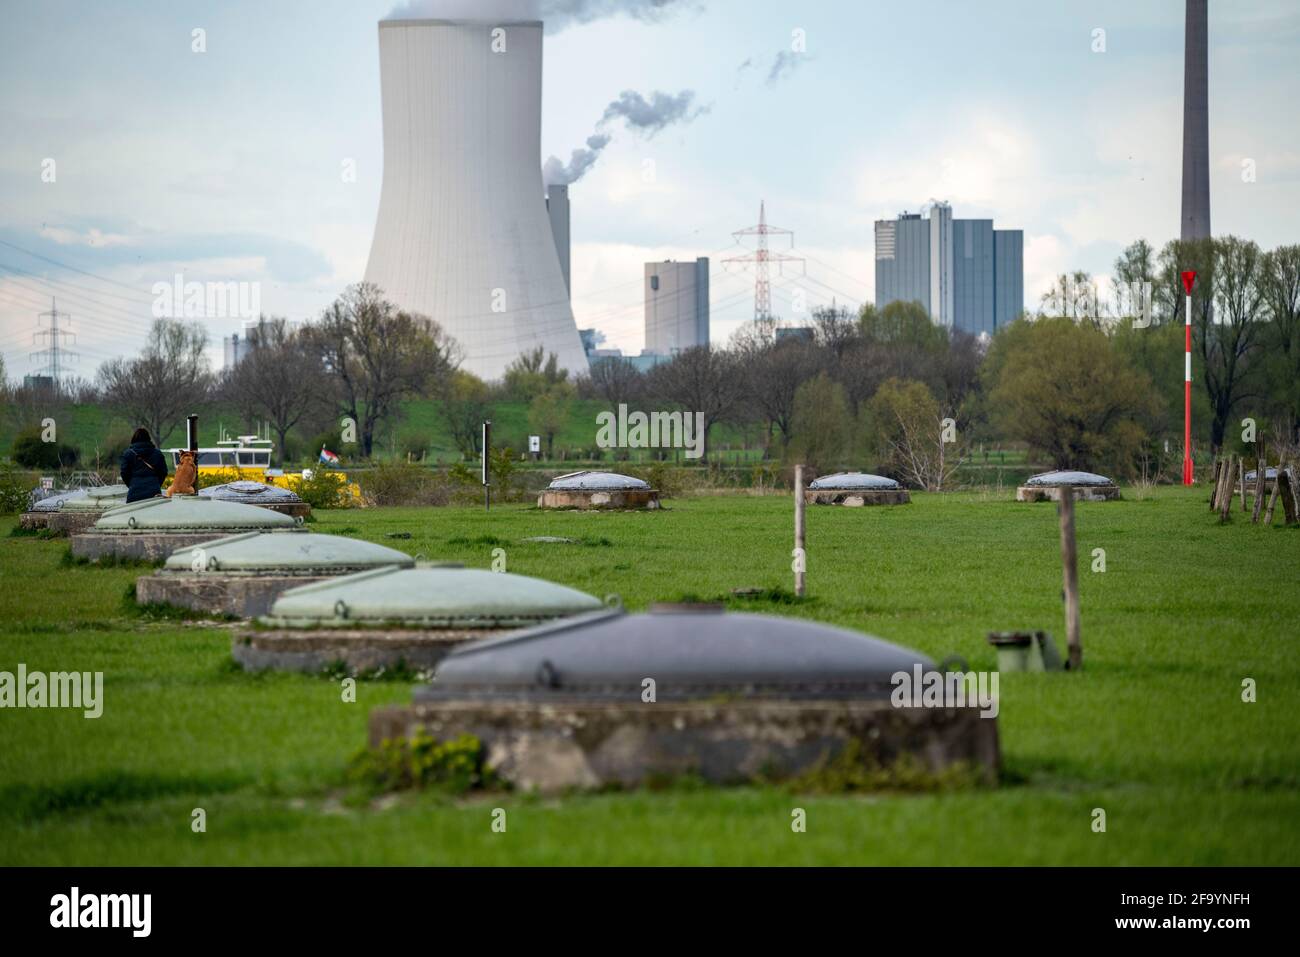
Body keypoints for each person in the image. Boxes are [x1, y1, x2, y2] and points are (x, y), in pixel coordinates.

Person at [120, 427, 169, 503]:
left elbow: (124, 473)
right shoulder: (158, 454)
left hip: (134, 491)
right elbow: (163, 472)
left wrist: (132, 484)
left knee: (133, 514)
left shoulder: (128, 454)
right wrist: (156, 483)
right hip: (154, 492)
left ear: (134, 439)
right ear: (148, 439)